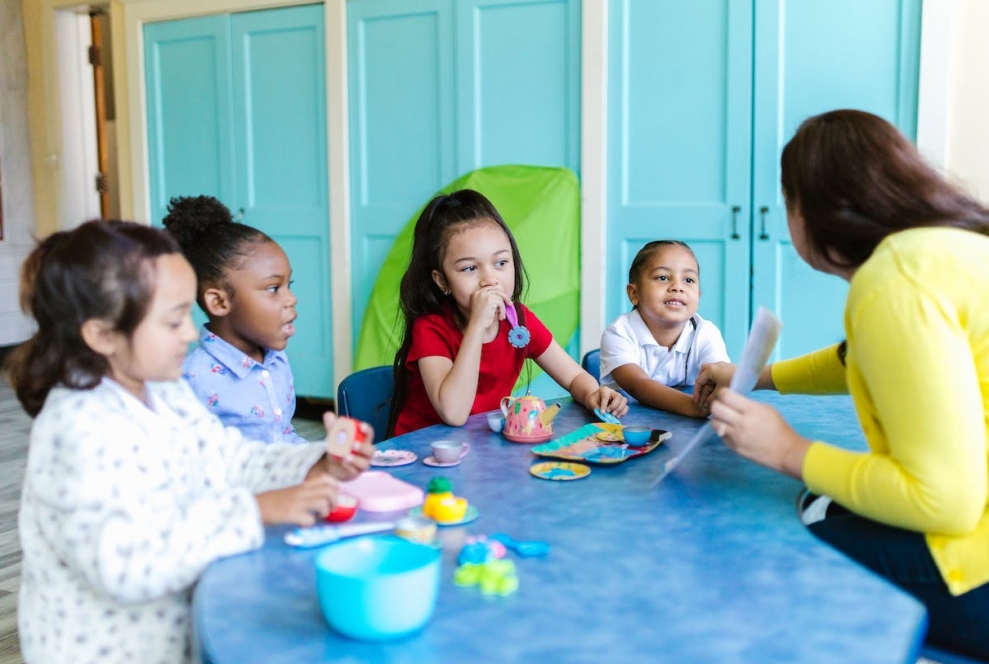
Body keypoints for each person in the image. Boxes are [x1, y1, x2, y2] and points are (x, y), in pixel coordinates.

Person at [7, 220, 373, 664]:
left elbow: (229, 459)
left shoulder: (166, 391)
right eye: (172, 320)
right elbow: (122, 562)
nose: (189, 333)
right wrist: (255, 510)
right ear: (102, 334)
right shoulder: (76, 428)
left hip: (178, 633)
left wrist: (317, 461)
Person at [695, 109, 989, 659]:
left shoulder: (894, 281)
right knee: (824, 500)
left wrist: (788, 449)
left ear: (809, 208)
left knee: (783, 533)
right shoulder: (948, 249)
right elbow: (863, 357)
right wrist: (759, 378)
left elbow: (943, 500)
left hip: (977, 568)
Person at [387, 189, 628, 437]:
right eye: (470, 268)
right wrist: (477, 326)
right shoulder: (430, 328)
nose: (490, 279)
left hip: (479, 449)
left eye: (501, 263)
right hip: (422, 452)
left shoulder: (520, 321)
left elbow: (574, 376)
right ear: (442, 281)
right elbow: (454, 413)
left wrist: (594, 394)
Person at [163, 195, 307, 444]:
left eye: (288, 285)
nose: (291, 299)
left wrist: (322, 458)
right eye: (273, 288)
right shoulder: (191, 382)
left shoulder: (276, 361)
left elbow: (283, 436)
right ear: (219, 302)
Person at [599, 240, 729, 417]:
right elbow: (638, 384)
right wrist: (693, 407)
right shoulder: (619, 333)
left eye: (688, 280)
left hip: (688, 430)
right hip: (629, 430)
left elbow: (716, 375)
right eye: (663, 278)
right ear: (634, 294)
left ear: (698, 296)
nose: (677, 287)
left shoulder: (706, 333)